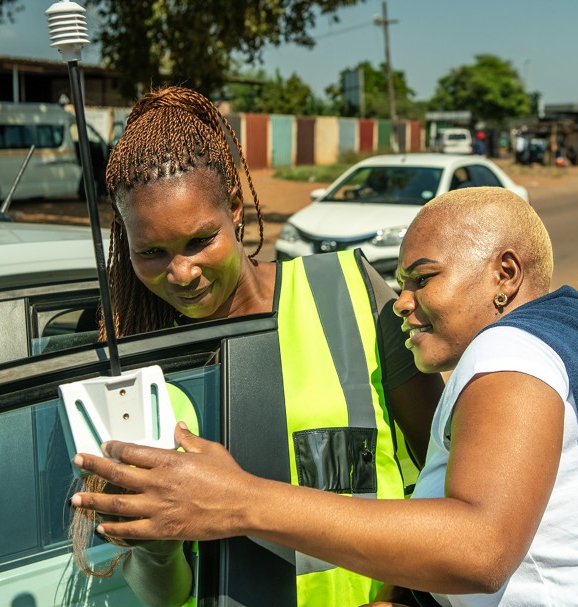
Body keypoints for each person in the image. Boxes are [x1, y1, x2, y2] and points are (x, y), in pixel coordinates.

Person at [71, 186, 578, 606]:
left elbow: (479, 548)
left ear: (505, 274)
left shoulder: (508, 352)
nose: (400, 302)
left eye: (423, 279)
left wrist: (238, 500)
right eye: (152, 252)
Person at [70, 85, 444, 607]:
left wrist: (399, 597)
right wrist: (153, 546)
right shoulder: (135, 368)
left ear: (237, 211)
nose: (182, 272)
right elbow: (165, 596)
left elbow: (443, 476)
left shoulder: (350, 290)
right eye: (152, 252)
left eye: (200, 240)